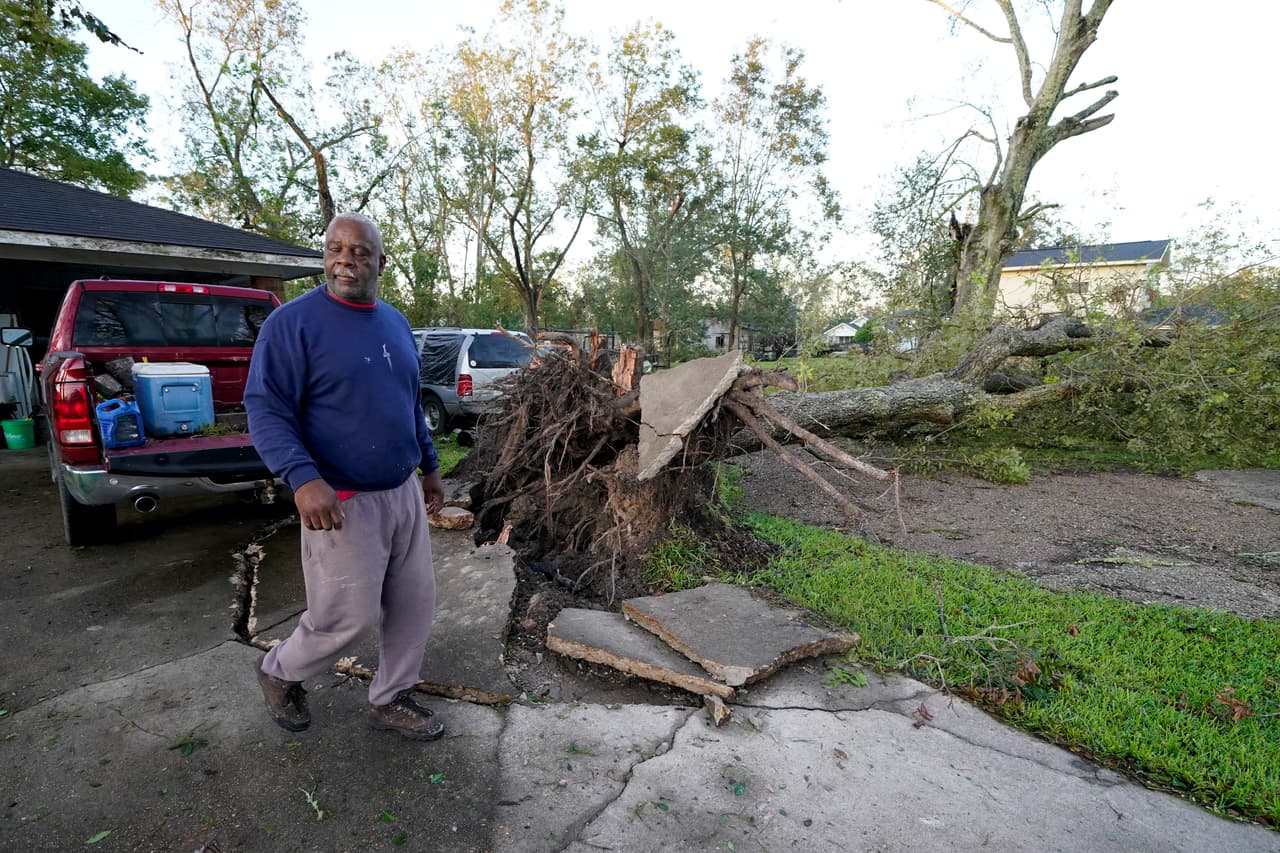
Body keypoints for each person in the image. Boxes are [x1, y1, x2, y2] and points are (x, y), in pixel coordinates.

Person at [244, 211, 446, 740]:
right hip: (341, 499)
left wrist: (429, 465)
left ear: (380, 261)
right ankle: (280, 671)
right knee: (347, 616)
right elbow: (266, 408)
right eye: (335, 249)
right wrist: (301, 477)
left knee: (413, 605)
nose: (345, 261)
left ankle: (392, 696)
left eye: (359, 252)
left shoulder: (395, 323)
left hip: (401, 492)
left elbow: (407, 403)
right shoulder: (292, 324)